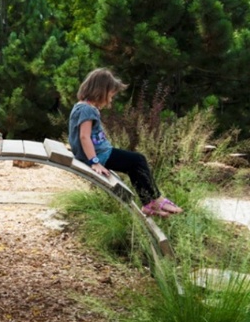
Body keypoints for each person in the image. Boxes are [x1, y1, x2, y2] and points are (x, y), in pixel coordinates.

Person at [68, 68, 183, 217]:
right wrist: (95, 161)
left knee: (133, 165)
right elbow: (84, 136)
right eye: (111, 94)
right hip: (99, 155)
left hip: (98, 154)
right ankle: (155, 199)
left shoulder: (82, 107)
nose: (111, 98)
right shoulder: (86, 109)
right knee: (138, 160)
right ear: (101, 90)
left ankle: (149, 203)